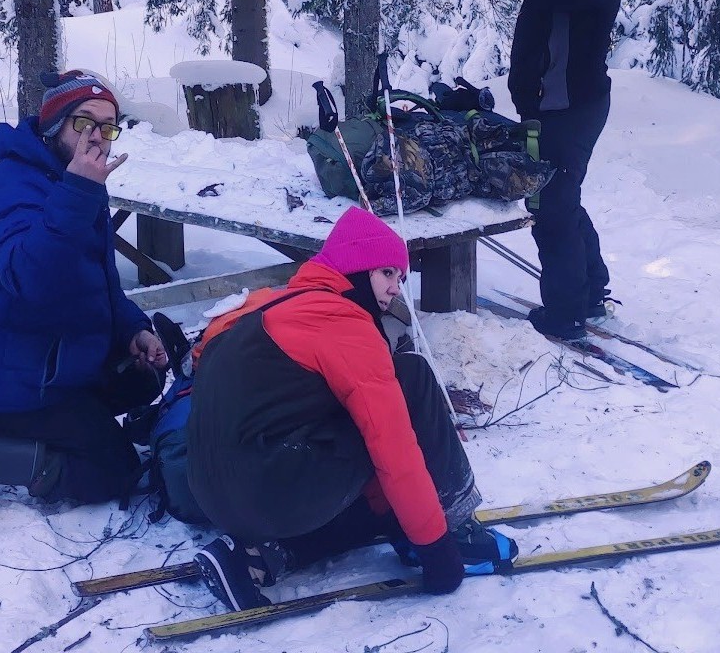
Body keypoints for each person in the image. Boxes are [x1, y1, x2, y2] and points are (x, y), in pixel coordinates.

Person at [185, 207, 516, 611]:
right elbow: (392, 445)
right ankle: (456, 524)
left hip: (211, 488)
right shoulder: (340, 321)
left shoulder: (271, 304)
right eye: (388, 272)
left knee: (380, 500)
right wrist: (435, 547)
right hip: (267, 489)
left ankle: (256, 558)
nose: (397, 288)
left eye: (401, 276)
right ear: (357, 268)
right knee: (410, 376)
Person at [0, 69, 169, 516]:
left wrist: (133, 328)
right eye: (83, 122)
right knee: (113, 474)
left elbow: (97, 280)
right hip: (13, 380)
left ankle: (65, 427)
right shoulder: (11, 187)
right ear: (55, 125)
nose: (97, 137)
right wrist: (78, 192)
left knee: (145, 378)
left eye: (107, 127)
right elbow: (30, 281)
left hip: (52, 361)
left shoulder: (73, 182)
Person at [495, 0, 622, 341]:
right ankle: (589, 294)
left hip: (572, 110)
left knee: (552, 209)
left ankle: (567, 317)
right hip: (552, 107)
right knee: (562, 200)